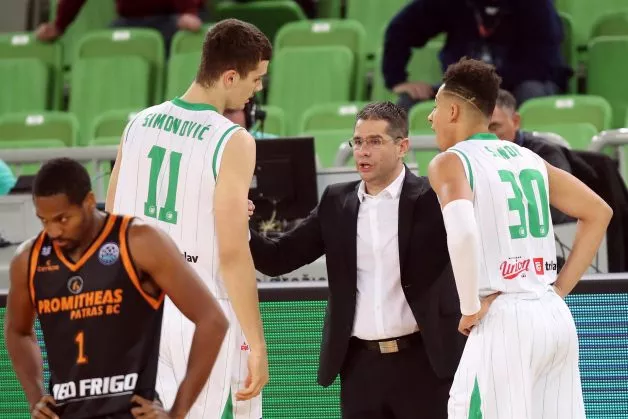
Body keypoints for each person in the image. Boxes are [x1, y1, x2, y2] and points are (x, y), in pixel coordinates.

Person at [249, 101, 465, 419]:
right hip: (360, 368)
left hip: (424, 364)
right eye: (358, 141)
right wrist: (239, 225)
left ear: (402, 146)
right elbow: (277, 259)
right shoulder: (336, 202)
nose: (363, 151)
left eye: (375, 141)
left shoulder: (432, 198)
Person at [426, 58, 612, 418]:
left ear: (452, 111)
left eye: (435, 107)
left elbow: (462, 232)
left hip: (504, 318)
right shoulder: (529, 158)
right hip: (553, 315)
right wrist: (559, 290)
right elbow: (598, 212)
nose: (431, 118)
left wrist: (469, 307)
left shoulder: (450, 162)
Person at [105, 19, 272, 419]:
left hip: (133, 306)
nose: (258, 89)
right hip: (197, 309)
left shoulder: (138, 123)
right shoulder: (233, 139)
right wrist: (257, 343)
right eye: (256, 78)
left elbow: (112, 219)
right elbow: (232, 254)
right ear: (229, 77)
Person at [5, 158, 228, 419]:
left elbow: (212, 319)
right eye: (44, 220)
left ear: (89, 201)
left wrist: (177, 411)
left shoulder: (139, 241)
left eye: (63, 219)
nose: (53, 231)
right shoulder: (29, 259)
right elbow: (18, 331)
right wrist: (35, 396)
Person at [383, 0, 571, 111]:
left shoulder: (536, 5)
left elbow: (544, 64)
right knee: (410, 102)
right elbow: (400, 29)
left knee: (531, 92)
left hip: (517, 87)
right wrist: (397, 80)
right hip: (465, 88)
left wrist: (490, 87)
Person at [489, 88, 573, 224]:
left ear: (515, 121)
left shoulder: (545, 154)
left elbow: (555, 213)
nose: (486, 135)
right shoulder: (472, 156)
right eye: (480, 128)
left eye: (494, 127)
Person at [36, 0, 203, 52]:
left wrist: (188, 12)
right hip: (128, 21)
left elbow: (189, 17)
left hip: (172, 18)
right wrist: (59, 25)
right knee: (105, 45)